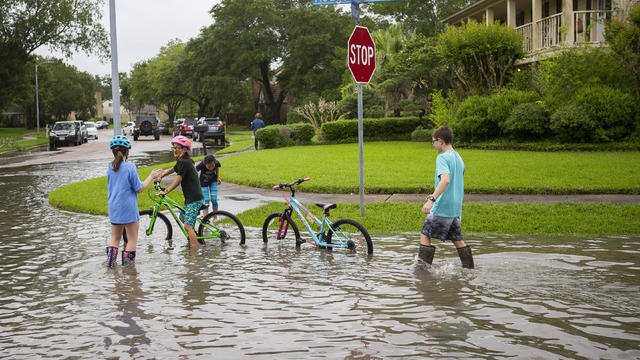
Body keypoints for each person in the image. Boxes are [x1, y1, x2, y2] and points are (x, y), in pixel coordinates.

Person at [418, 126, 474, 268]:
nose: (433, 144)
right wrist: (433, 193)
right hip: (455, 207)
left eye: (433, 141)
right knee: (457, 239)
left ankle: (422, 273)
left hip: (442, 205)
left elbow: (446, 180)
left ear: (440, 141)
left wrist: (432, 200)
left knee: (425, 235)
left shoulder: (442, 158)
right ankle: (469, 269)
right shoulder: (458, 157)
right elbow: (453, 182)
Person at [106, 135, 161, 267]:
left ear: (113, 151)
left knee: (114, 239)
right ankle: (129, 271)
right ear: (128, 151)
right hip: (128, 208)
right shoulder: (130, 167)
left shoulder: (110, 167)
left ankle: (110, 265)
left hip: (114, 208)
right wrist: (151, 176)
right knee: (131, 240)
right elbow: (139, 188)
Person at [156, 135, 205, 248]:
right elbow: (173, 168)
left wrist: (166, 191)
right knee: (182, 217)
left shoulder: (185, 162)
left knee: (187, 227)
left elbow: (178, 181)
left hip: (194, 199)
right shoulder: (181, 161)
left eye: (178, 147)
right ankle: (194, 235)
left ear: (184, 150)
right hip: (189, 198)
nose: (175, 150)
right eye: (174, 147)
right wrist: (161, 176)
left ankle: (194, 253)